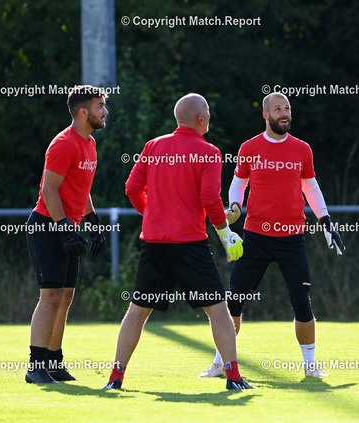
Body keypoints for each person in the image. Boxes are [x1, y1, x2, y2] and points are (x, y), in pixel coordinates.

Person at [103, 93, 255, 390]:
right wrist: (225, 233)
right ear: (201, 118)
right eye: (207, 111)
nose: (209, 116)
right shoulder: (209, 152)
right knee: (218, 310)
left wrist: (154, 213)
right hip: (190, 243)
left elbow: (132, 188)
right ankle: (234, 377)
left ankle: (115, 378)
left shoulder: (153, 146)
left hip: (155, 242)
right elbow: (209, 198)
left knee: (137, 310)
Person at [200, 92, 345, 379]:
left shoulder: (302, 149)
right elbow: (238, 183)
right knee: (234, 300)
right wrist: (235, 205)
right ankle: (220, 363)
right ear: (265, 114)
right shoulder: (249, 147)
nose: (284, 113)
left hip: (292, 238)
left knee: (301, 301)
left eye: (287, 108)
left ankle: (310, 365)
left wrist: (326, 221)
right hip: (256, 236)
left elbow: (311, 187)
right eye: (278, 109)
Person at [25, 85, 109, 384]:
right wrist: (63, 228)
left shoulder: (90, 142)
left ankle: (53, 362)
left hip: (66, 226)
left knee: (66, 296)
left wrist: (92, 221)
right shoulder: (64, 143)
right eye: (100, 106)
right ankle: (36, 367)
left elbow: (80, 189)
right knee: (50, 295)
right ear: (83, 112)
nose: (105, 111)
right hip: (47, 225)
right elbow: (49, 190)